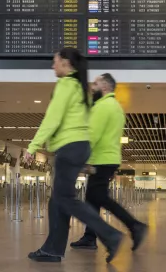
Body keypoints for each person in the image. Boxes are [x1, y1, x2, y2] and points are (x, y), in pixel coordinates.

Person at [25, 48, 123, 264]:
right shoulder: (82, 89)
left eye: (55, 61)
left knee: (65, 198)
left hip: (69, 146)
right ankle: (53, 249)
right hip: (79, 146)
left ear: (66, 63)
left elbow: (52, 119)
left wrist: (32, 146)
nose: (53, 66)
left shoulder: (66, 85)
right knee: (58, 200)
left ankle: (110, 235)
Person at [70, 73, 148, 251]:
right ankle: (90, 237)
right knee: (92, 200)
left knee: (99, 197)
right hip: (110, 159)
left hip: (101, 160)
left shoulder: (103, 106)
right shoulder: (117, 108)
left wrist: (80, 158)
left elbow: (93, 135)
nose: (92, 87)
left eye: (96, 84)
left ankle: (134, 225)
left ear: (105, 87)